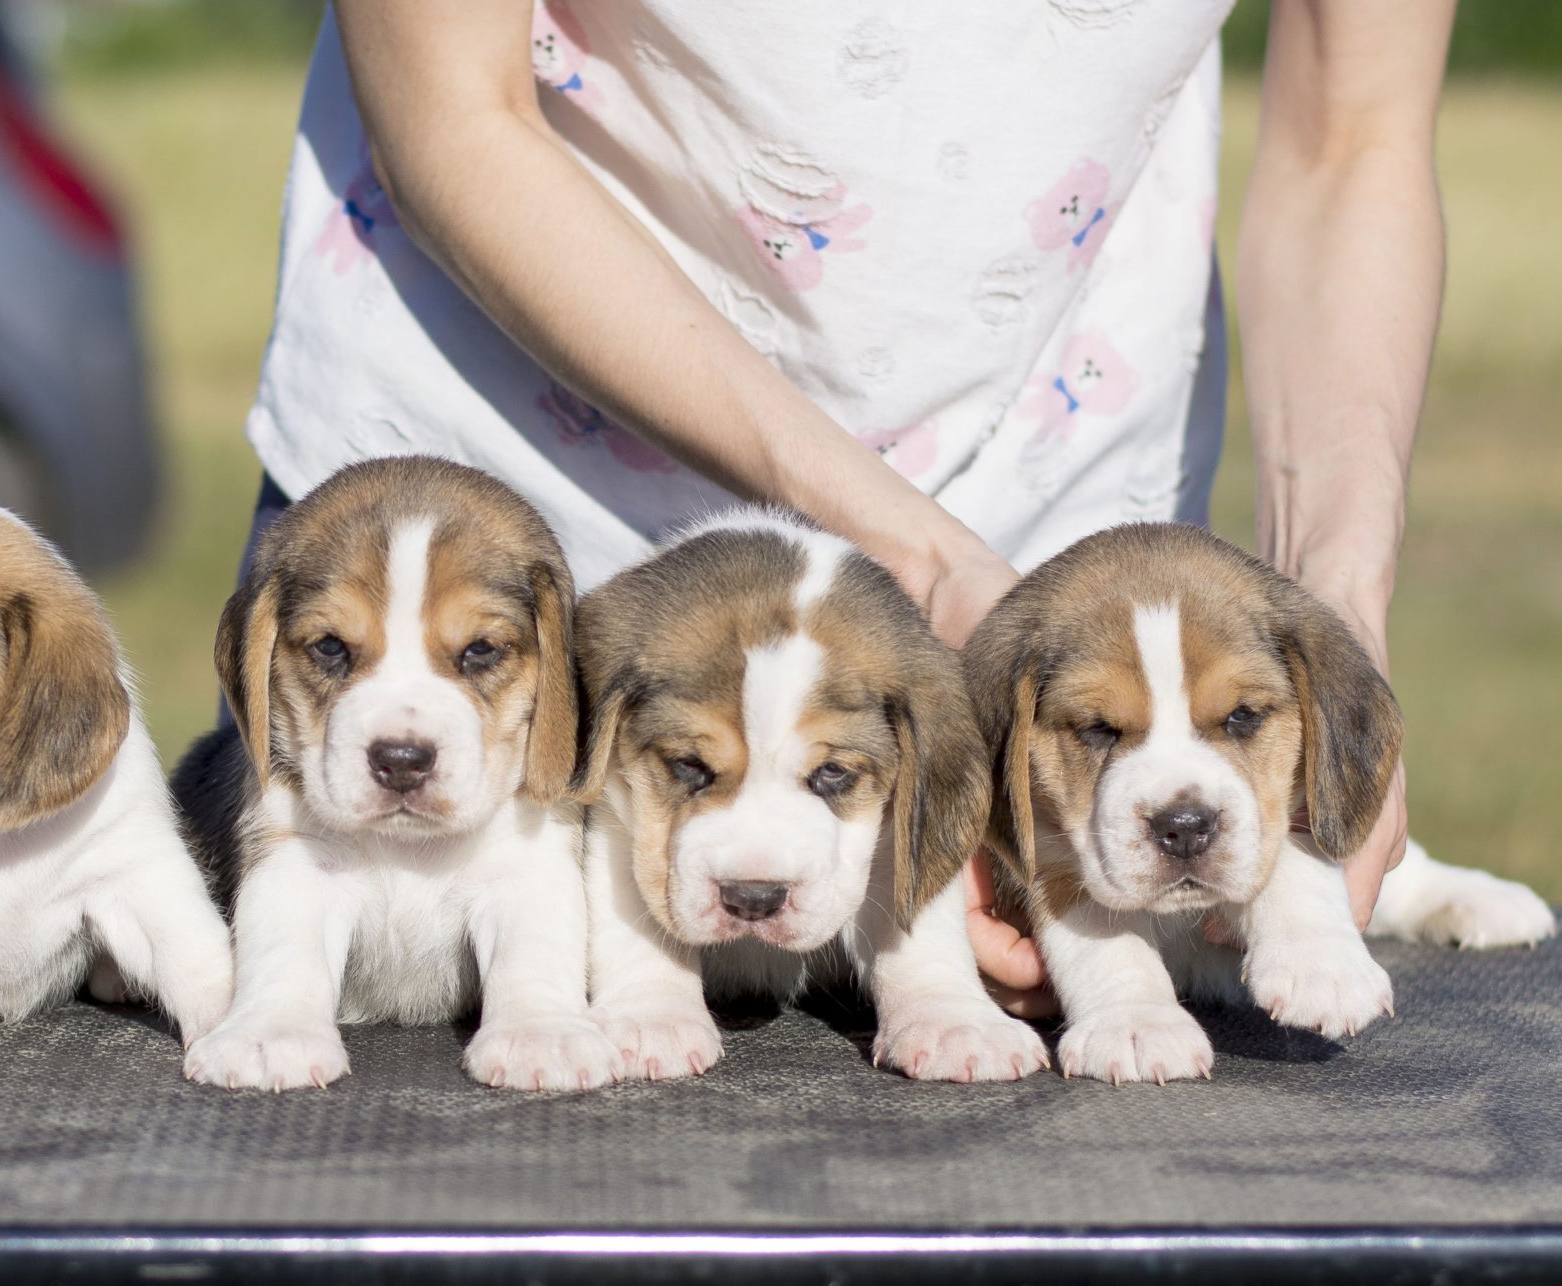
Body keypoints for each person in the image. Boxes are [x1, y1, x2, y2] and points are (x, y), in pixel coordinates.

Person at [233, 2, 1457, 1002]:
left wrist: (1335, 613)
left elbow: (1348, 138)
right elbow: (453, 109)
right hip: (521, 573)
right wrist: (929, 578)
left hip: (1057, 559)